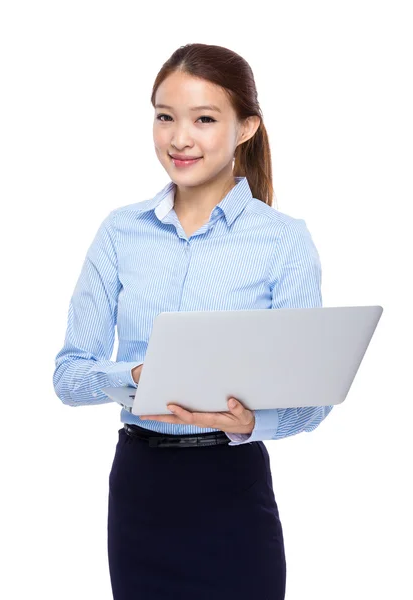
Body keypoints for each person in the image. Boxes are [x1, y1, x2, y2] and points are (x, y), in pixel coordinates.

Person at [53, 43, 334, 600]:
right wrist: (136, 376)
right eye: (165, 117)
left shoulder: (283, 240)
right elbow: (68, 376)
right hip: (141, 489)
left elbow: (310, 403)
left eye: (204, 119)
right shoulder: (120, 232)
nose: (180, 138)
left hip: (231, 488)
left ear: (246, 127)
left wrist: (247, 423)